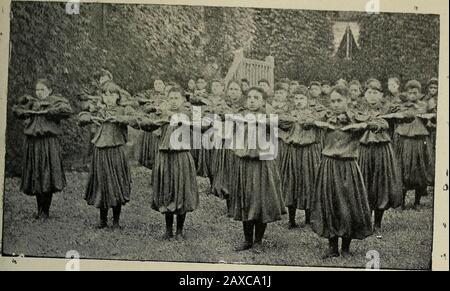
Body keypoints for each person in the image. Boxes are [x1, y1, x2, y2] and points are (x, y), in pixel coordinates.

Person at [311, 85, 373, 258]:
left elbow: (378, 123)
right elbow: (306, 121)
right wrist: (321, 123)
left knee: (347, 206)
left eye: (340, 100)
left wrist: (357, 126)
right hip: (329, 166)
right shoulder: (327, 116)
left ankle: (345, 247)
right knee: (329, 204)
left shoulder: (355, 117)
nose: (336, 104)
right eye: (333, 101)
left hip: (348, 167)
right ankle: (332, 247)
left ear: (347, 100)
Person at [130, 87, 200, 240]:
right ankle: (168, 230)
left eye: (177, 98)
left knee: (180, 193)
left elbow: (202, 126)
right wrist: (150, 116)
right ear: (167, 100)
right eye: (171, 98)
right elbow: (143, 124)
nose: (174, 101)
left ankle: (180, 231)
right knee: (166, 190)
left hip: (181, 157)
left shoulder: (188, 114)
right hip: (164, 157)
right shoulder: (162, 114)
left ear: (182, 100)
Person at [231, 87, 285, 252]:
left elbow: (283, 123)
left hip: (262, 165)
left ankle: (258, 241)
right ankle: (247, 239)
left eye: (256, 97)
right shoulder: (240, 117)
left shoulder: (269, 118)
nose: (252, 100)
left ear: (263, 101)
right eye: (249, 97)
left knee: (260, 201)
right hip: (245, 165)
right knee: (245, 199)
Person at [12, 78, 73, 219]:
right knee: (36, 175)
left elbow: (66, 111)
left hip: (48, 144)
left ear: (49, 90)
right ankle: (39, 210)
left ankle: (46, 211)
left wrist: (48, 110)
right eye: (37, 90)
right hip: (33, 144)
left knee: (47, 175)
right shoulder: (31, 102)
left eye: (42, 90)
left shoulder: (56, 101)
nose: (39, 93)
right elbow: (16, 110)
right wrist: (26, 108)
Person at [79, 81, 134, 229]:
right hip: (100, 152)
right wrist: (91, 118)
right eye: (105, 94)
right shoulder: (99, 111)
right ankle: (102, 220)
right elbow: (82, 116)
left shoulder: (123, 110)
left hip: (116, 152)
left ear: (117, 96)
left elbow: (134, 119)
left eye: (112, 94)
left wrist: (118, 119)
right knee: (101, 183)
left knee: (116, 184)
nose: (108, 98)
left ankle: (116, 221)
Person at [357, 79, 402, 235]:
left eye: (375, 92)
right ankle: (366, 220)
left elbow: (406, 114)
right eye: (369, 92)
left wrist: (396, 113)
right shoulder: (358, 108)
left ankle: (378, 223)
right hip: (363, 150)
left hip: (382, 150)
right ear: (364, 95)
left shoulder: (388, 108)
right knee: (365, 183)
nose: (372, 96)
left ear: (381, 94)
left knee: (380, 185)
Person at [387, 80, 435, 209]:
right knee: (404, 169)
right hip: (405, 142)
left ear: (419, 93)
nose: (412, 95)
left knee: (420, 170)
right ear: (406, 94)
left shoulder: (424, 106)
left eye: (415, 92)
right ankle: (401, 202)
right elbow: (393, 118)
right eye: (410, 92)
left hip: (419, 142)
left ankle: (417, 202)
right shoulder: (401, 106)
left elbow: (432, 120)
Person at [280, 86, 324, 228]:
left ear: (307, 100)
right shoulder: (289, 114)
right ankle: (291, 220)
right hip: (293, 151)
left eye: (302, 98)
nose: (299, 101)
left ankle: (308, 219)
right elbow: (280, 123)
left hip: (309, 152)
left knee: (308, 182)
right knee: (292, 182)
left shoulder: (313, 114)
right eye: (296, 98)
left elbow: (319, 123)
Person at [135, 77, 166, 169]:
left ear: (164, 85)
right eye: (156, 84)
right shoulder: (151, 96)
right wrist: (151, 106)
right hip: (152, 119)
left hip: (162, 120)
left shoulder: (167, 95)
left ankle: (159, 161)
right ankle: (149, 160)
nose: (158, 86)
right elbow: (144, 108)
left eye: (160, 84)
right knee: (150, 139)